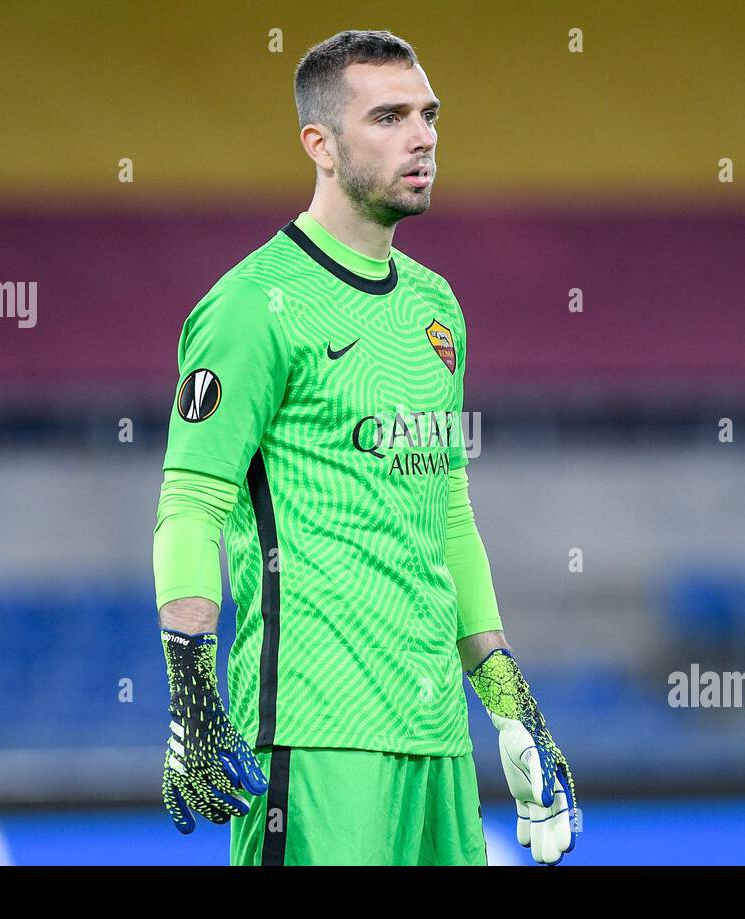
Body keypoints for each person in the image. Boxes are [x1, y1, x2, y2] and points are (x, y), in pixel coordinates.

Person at [152, 29, 576, 866]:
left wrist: (508, 704)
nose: (422, 138)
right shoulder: (253, 306)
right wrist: (192, 698)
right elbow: (190, 507)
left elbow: (447, 515)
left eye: (429, 116)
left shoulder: (437, 307)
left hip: (436, 739)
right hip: (315, 732)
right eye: (388, 117)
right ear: (321, 144)